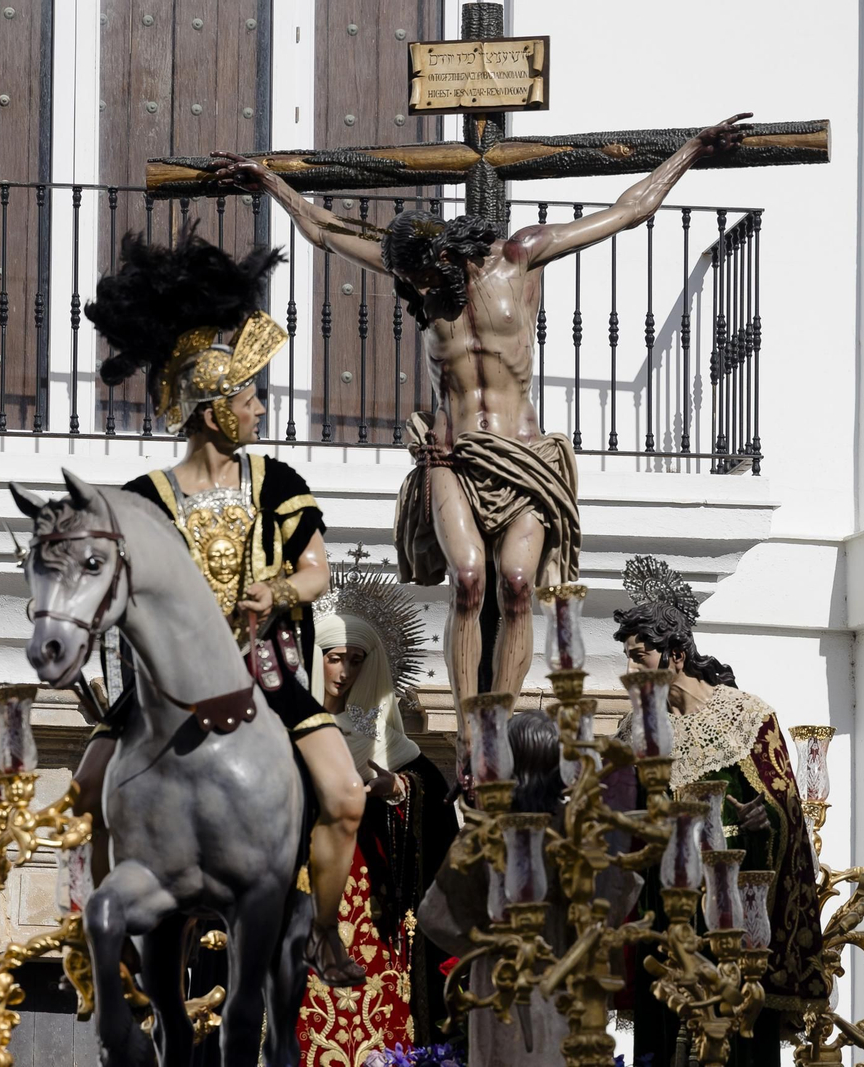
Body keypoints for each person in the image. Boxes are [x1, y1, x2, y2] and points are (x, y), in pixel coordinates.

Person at [213, 115, 751, 780]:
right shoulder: (416, 271)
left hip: (522, 459)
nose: (415, 291)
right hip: (452, 457)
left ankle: (500, 714)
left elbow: (627, 211)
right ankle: (473, 729)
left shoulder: (522, 256)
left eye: (424, 278)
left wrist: (691, 151)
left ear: (452, 253)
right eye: (408, 282)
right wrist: (271, 182)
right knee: (469, 580)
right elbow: (325, 231)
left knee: (520, 585)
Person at [77, 227, 368, 988]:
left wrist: (280, 592)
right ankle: (98, 932)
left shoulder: (276, 481)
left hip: (266, 670)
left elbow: (317, 570)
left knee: (343, 793)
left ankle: (326, 931)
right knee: (82, 788)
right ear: (212, 411)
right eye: (249, 396)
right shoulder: (146, 500)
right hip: (167, 686)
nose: (261, 407)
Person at [613, 556, 824, 1065]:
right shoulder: (635, 731)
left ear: (677, 655)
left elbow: (787, 814)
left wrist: (758, 821)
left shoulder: (748, 717)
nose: (630, 670)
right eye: (627, 657)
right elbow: (624, 825)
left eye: (639, 656)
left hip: (735, 917)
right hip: (666, 916)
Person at [418, 710, 646, 1067]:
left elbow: (435, 918)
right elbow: (620, 899)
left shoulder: (486, 837)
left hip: (502, 993)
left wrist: (488, 944)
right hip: (571, 992)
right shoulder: (583, 835)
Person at [303, 563, 458, 1052]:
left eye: (356, 660)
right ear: (315, 660)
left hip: (374, 898)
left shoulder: (393, 746)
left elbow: (435, 816)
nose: (344, 672)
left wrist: (396, 789)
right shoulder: (286, 734)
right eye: (334, 658)